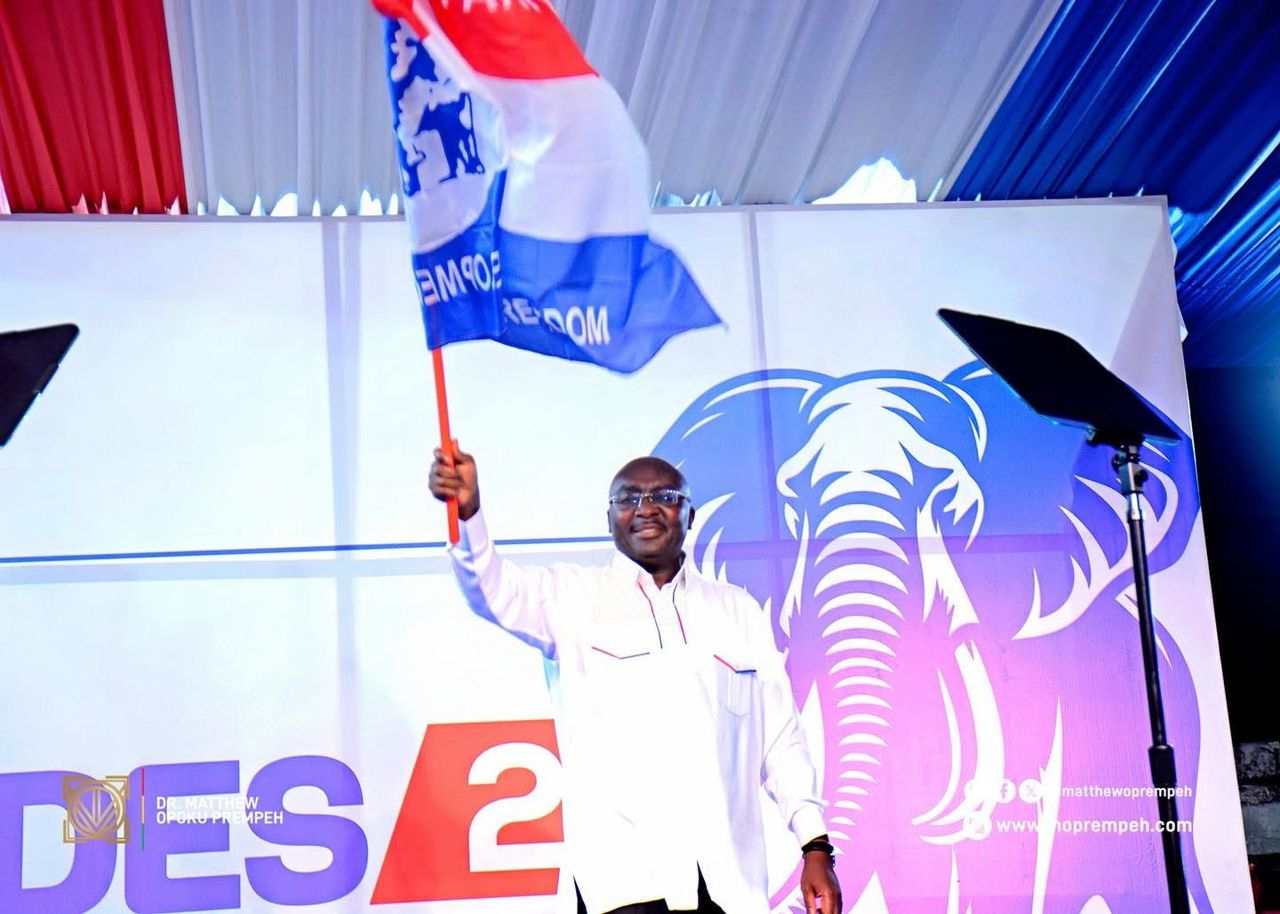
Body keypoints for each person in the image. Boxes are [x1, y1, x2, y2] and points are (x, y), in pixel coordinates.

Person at [430, 443, 842, 914]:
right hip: (625, 885)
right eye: (628, 499)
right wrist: (468, 514)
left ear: (689, 513)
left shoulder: (736, 610)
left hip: (730, 886)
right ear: (609, 519)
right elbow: (489, 588)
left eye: (663, 496)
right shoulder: (570, 598)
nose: (645, 509)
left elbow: (782, 741)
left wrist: (815, 847)